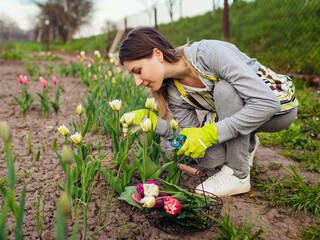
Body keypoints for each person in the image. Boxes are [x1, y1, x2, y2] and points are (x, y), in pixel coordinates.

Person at [119, 27, 298, 197]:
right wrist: (153, 122)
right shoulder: (174, 91)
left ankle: (238, 175)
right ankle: (248, 142)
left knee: (225, 89)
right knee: (209, 157)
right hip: (244, 114)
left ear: (157, 54)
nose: (137, 81)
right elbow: (189, 138)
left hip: (278, 111)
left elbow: (267, 103)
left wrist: (211, 133)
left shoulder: (209, 54)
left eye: (138, 71)